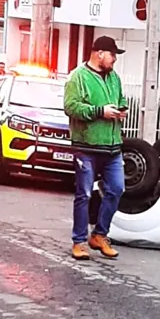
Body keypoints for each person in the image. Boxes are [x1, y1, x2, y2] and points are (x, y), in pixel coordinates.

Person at [63, 36, 128, 261]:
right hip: (87, 147)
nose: (115, 60)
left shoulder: (114, 78)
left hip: (112, 147)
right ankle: (79, 241)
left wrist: (121, 109)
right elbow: (71, 107)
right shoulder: (78, 77)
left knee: (117, 189)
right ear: (99, 54)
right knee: (84, 194)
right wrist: (100, 111)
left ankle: (100, 234)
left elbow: (121, 98)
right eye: (113, 55)